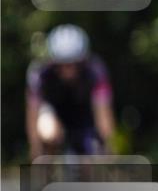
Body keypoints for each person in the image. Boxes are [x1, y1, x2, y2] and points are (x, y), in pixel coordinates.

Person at [26, 24, 114, 160]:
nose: (69, 69)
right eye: (63, 63)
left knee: (93, 156)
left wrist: (108, 147)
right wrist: (35, 149)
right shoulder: (40, 74)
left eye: (74, 63)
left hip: (85, 117)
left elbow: (103, 115)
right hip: (52, 114)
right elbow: (33, 113)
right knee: (49, 131)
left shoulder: (95, 71)